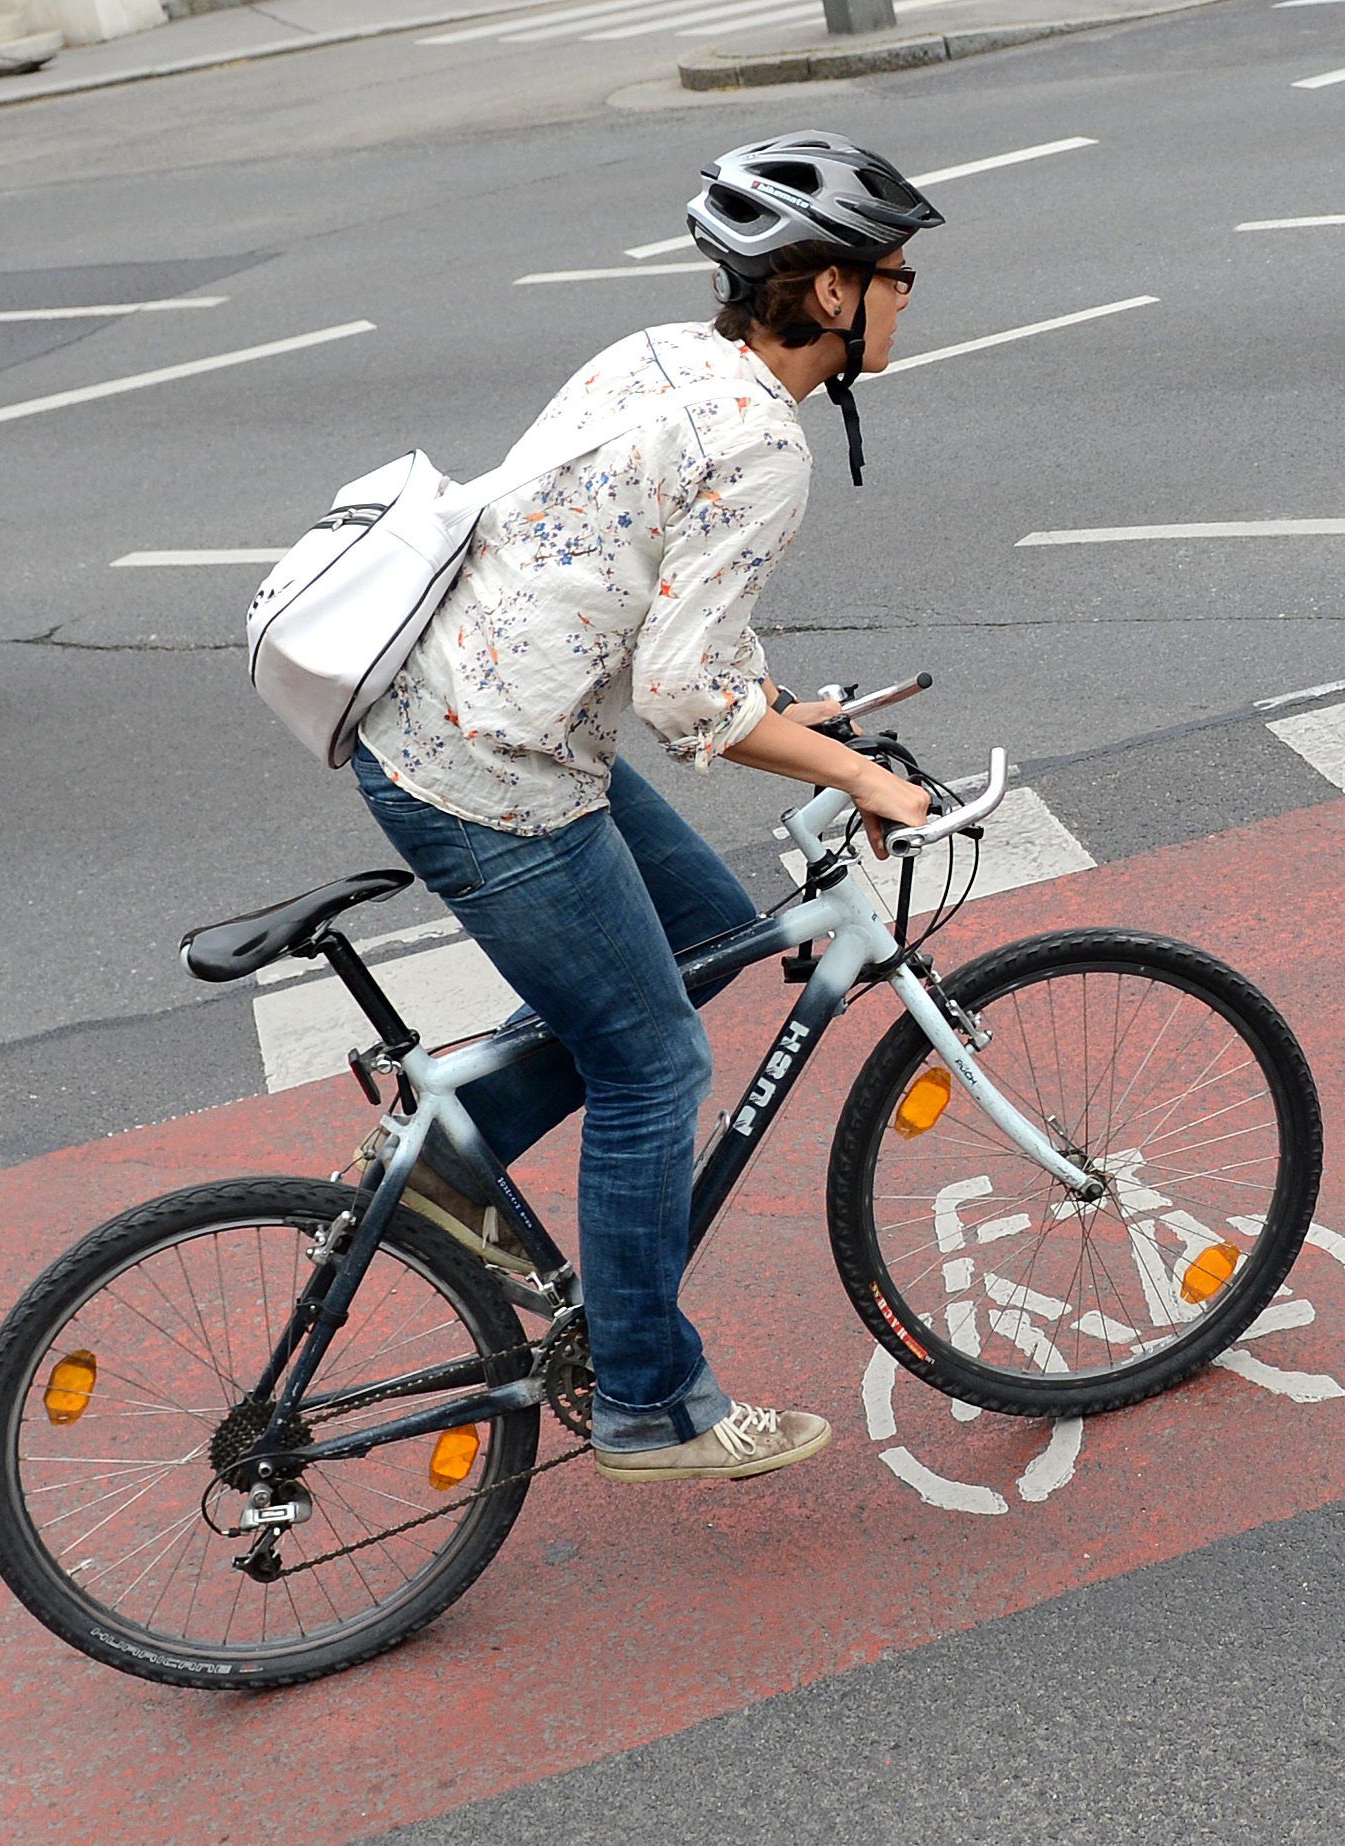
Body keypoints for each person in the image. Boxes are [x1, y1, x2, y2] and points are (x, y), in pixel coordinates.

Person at [351, 132, 939, 1484]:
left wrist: (781, 704)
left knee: (704, 923)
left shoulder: (662, 351)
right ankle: (647, 1401)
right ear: (834, 293)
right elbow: (686, 703)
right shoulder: (766, 443)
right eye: (898, 274)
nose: (911, 296)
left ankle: (447, 1171)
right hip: (490, 769)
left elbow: (605, 575)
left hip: (473, 705)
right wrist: (851, 775)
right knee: (652, 1063)